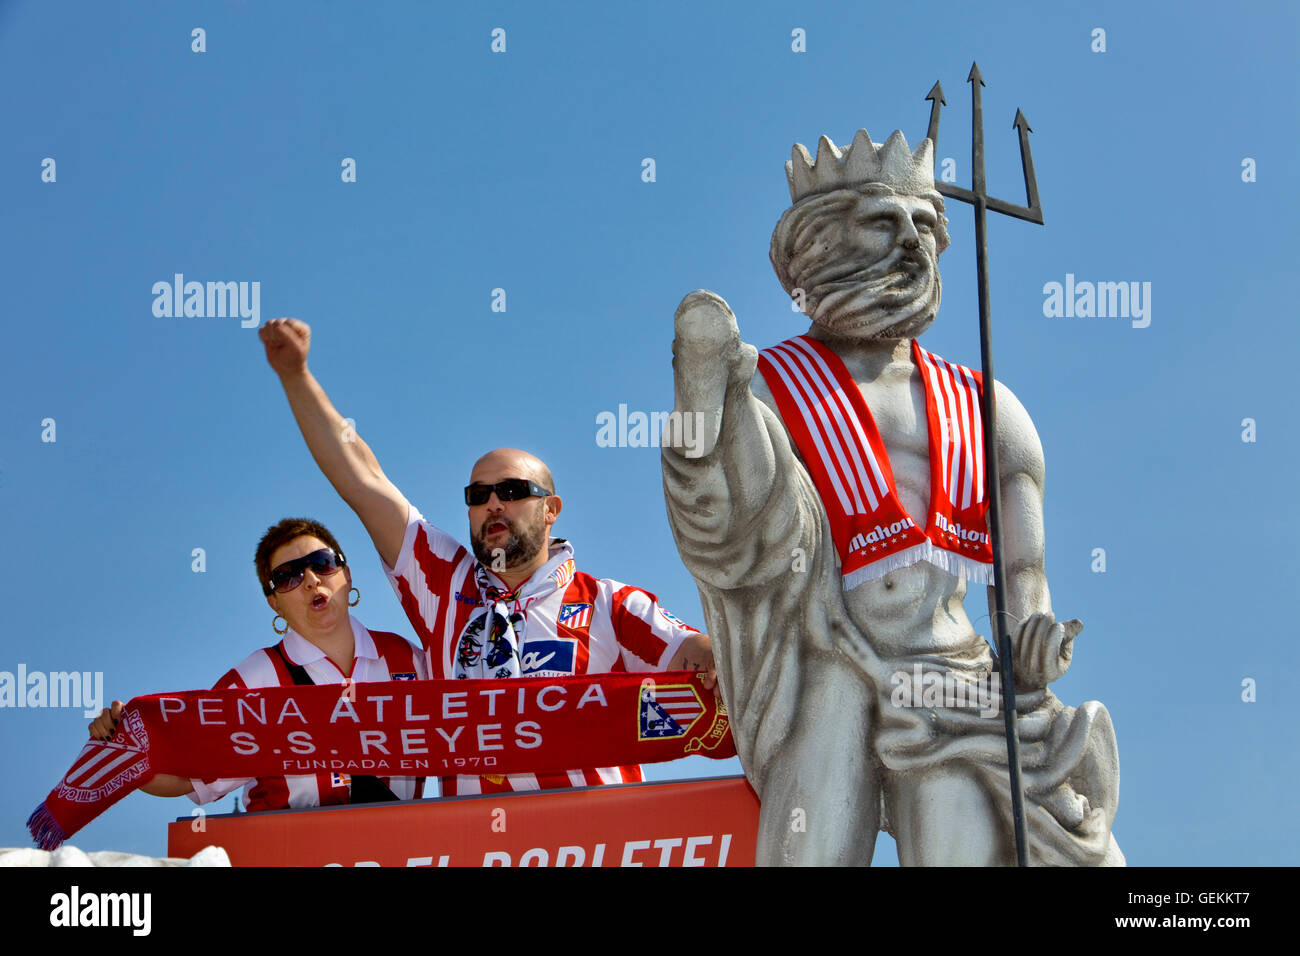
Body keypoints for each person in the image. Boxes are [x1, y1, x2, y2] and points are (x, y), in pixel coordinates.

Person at [661, 129, 1122, 865]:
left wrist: (1030, 630)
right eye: (883, 220)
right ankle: (702, 400)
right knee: (812, 840)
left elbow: (1024, 569)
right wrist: (709, 407)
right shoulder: (775, 383)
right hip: (825, 655)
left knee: (959, 840)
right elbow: (722, 529)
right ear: (815, 244)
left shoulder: (986, 406)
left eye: (925, 226)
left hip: (953, 673)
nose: (911, 241)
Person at [259, 318, 717, 796]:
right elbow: (363, 480)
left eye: (513, 491)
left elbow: (692, 656)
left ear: (551, 509)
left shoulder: (609, 603)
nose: (493, 504)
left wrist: (714, 656)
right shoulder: (443, 584)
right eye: (478, 495)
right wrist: (296, 375)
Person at [89, 518, 427, 811]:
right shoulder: (254, 681)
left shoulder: (408, 658)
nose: (310, 580)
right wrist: (123, 747)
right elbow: (185, 778)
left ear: (347, 574)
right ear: (273, 602)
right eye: (287, 576)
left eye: (322, 563)